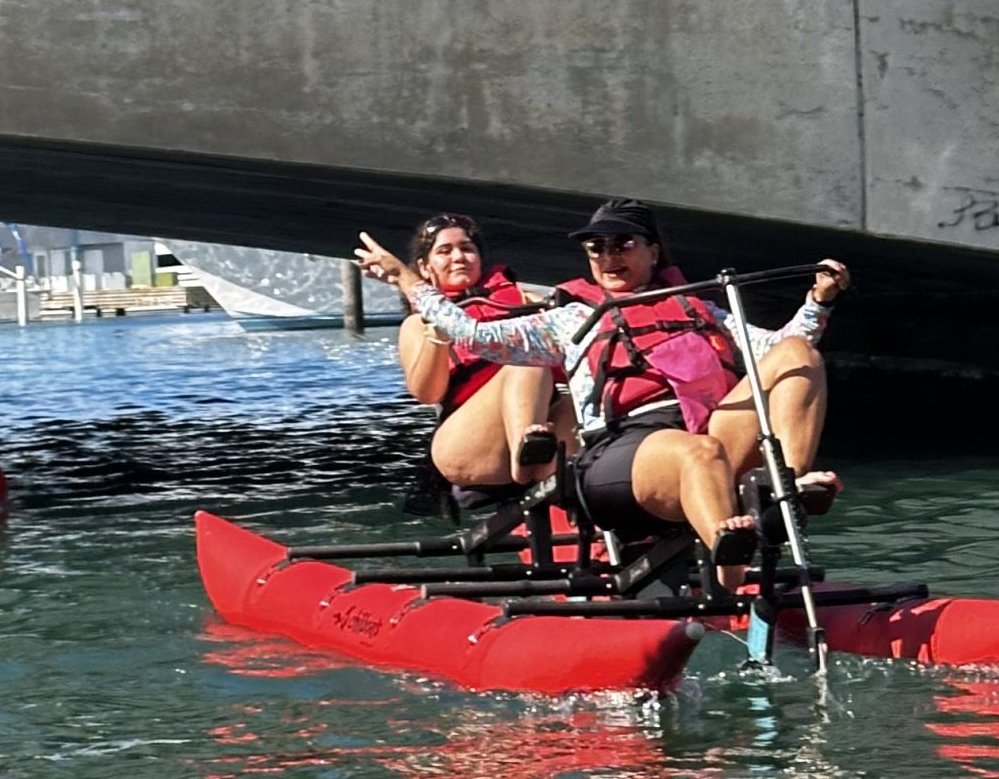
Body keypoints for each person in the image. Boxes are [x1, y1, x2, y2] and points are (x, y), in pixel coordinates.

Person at [355, 198, 848, 580]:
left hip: (705, 428)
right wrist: (406, 281)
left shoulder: (700, 310)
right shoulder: (571, 316)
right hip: (621, 445)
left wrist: (818, 301)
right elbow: (476, 336)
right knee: (700, 455)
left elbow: (782, 345)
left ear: (653, 252)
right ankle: (730, 573)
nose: (609, 256)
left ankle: (783, 487)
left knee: (799, 357)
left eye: (623, 245)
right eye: (598, 248)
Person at [395, 213, 574, 494]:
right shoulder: (417, 325)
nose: (458, 257)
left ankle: (561, 480)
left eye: (467, 248)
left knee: (587, 397)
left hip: (547, 420)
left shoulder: (527, 301)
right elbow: (427, 393)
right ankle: (525, 458)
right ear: (425, 267)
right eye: (445, 251)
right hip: (470, 442)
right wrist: (439, 331)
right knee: (525, 358)